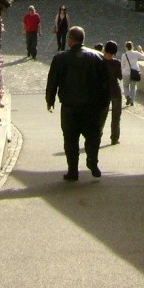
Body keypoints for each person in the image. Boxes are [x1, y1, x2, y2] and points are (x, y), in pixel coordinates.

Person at [46, 25, 110, 181]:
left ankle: (73, 170)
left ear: (70, 40)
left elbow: (53, 81)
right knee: (93, 136)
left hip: (70, 106)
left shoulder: (60, 58)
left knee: (70, 139)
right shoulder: (97, 57)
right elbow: (105, 83)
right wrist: (104, 103)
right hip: (92, 106)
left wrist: (50, 100)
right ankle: (92, 162)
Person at [100, 40, 123, 145]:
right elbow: (120, 76)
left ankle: (98, 135)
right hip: (115, 91)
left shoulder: (100, 61)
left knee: (102, 115)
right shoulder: (117, 63)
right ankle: (114, 138)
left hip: (104, 91)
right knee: (116, 116)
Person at [121, 40, 144, 106]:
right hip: (135, 73)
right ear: (132, 47)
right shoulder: (136, 53)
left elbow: (122, 66)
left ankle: (127, 96)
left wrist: (122, 72)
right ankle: (132, 101)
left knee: (126, 86)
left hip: (126, 73)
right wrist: (141, 50)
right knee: (133, 87)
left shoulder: (124, 55)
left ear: (126, 47)